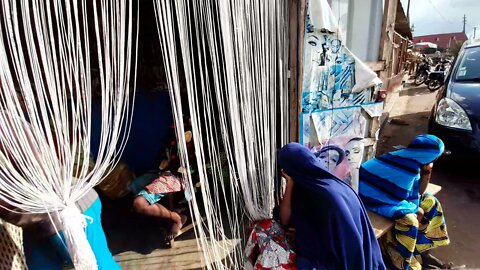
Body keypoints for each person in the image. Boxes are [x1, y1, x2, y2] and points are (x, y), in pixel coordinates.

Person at [359, 135, 463, 270]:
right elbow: (400, 195)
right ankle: (400, 260)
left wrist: (427, 173)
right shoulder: (407, 167)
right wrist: (415, 210)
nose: (437, 159)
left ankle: (423, 254)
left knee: (431, 202)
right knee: (410, 220)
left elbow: (417, 192)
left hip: (386, 194)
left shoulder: (412, 161)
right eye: (437, 156)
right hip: (371, 198)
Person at [278, 143, 385, 270]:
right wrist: (291, 182)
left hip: (345, 260)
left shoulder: (323, 195)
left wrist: (303, 235)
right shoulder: (326, 181)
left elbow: (332, 242)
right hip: (363, 253)